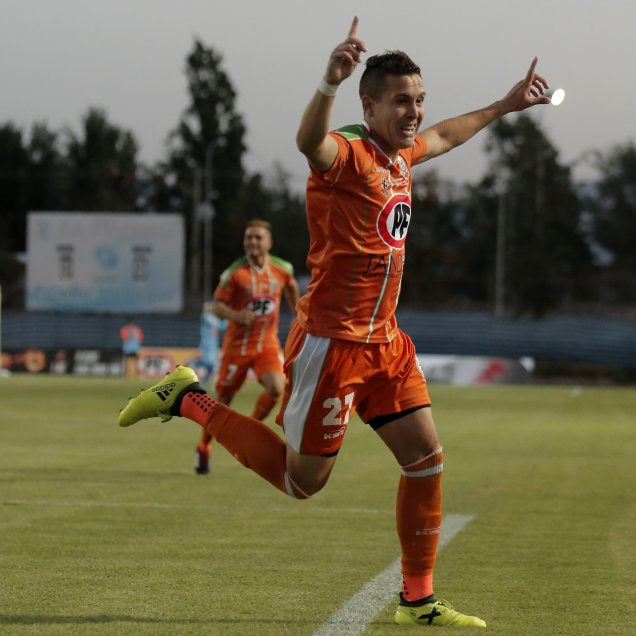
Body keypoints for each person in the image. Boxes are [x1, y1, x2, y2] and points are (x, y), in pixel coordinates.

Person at [118, 16, 552, 628]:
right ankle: (188, 399)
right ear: (368, 104)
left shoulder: (401, 156)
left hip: (387, 344)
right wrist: (327, 80)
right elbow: (307, 142)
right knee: (303, 484)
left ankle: (417, 599)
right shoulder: (345, 154)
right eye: (402, 101)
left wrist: (507, 105)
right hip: (331, 345)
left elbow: (450, 135)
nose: (415, 111)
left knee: (426, 459)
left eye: (419, 99)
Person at [194, 219, 300, 475]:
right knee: (223, 402)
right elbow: (216, 306)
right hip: (236, 347)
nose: (252, 242)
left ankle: (247, 430)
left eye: (257, 238)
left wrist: (298, 313)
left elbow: (291, 286)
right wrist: (235, 315)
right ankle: (203, 447)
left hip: (265, 344)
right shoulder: (234, 273)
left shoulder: (281, 268)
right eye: (248, 238)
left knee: (277, 389)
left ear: (268, 242)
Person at [194, 301, 228, 390]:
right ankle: (215, 385)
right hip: (207, 346)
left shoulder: (211, 317)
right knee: (214, 365)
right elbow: (222, 325)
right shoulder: (207, 317)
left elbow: (222, 325)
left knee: (210, 366)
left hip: (212, 345)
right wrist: (229, 317)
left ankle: (203, 384)